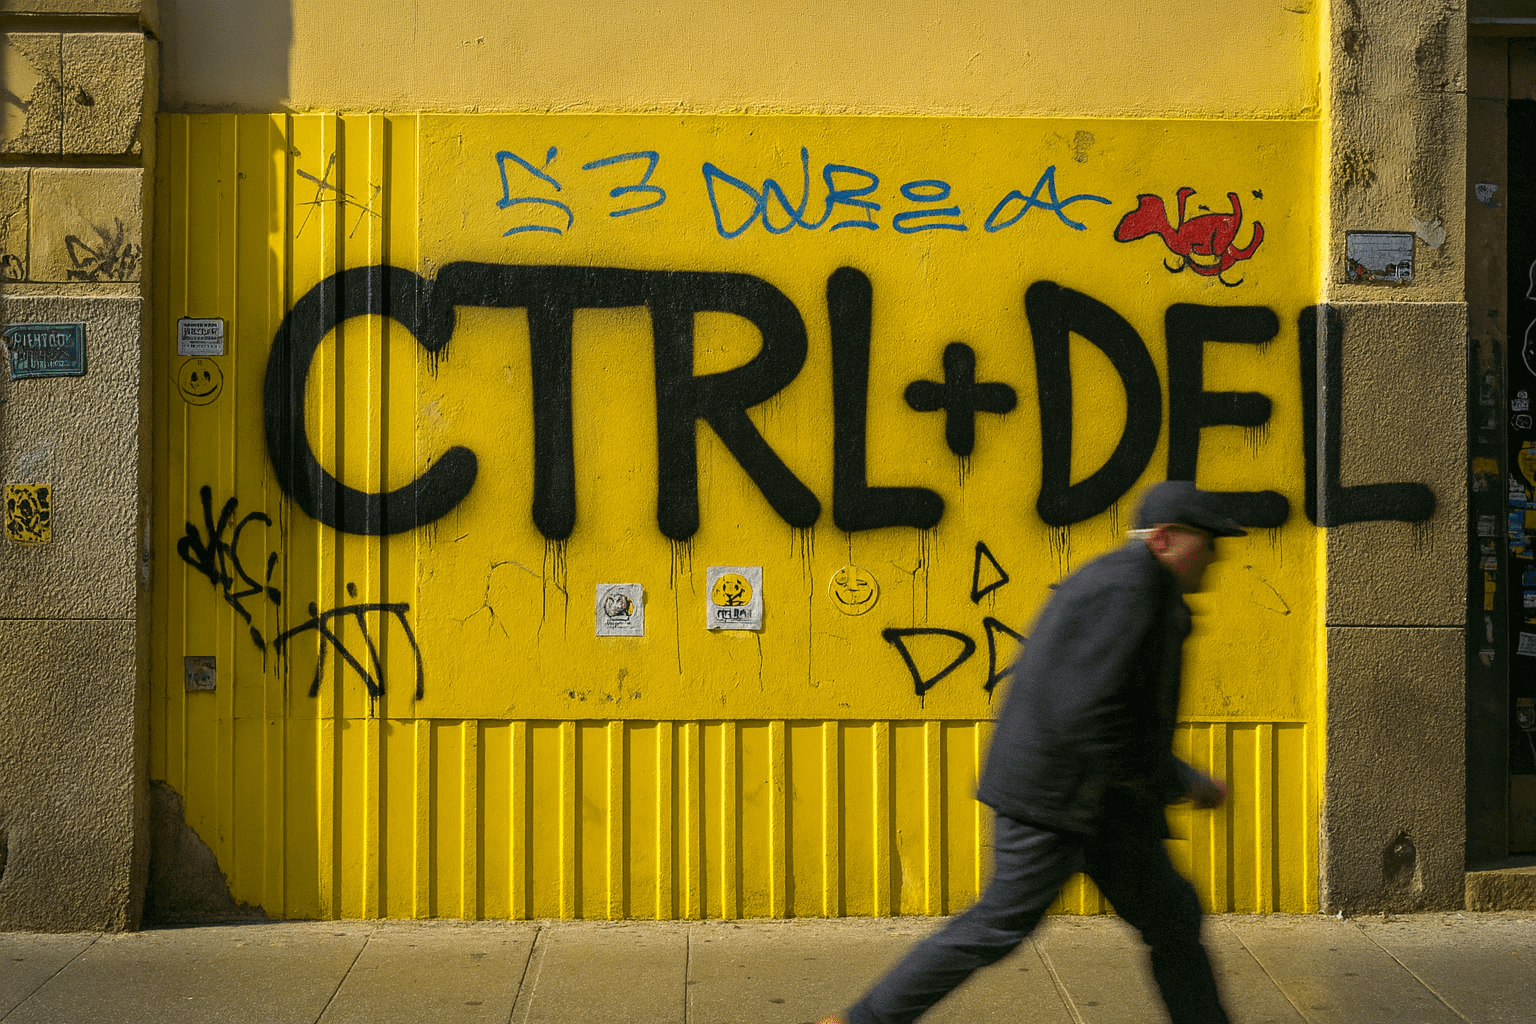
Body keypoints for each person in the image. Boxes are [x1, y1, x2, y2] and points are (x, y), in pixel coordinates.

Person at [821, 480, 1240, 1024]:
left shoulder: (1137, 585)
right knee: (997, 925)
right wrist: (1180, 781)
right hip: (1058, 796)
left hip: (1102, 800)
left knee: (1172, 919)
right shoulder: (1131, 587)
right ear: (1164, 539)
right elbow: (1093, 713)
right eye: (1208, 542)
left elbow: (1113, 711)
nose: (1217, 557)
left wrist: (1168, 778)